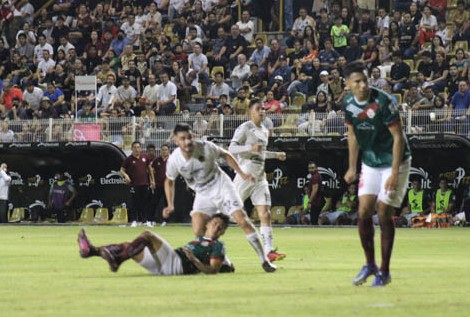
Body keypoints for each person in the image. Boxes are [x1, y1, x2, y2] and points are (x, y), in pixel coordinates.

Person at [163, 123, 276, 273]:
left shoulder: (206, 147)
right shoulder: (174, 160)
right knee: (198, 231)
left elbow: (227, 155)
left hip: (222, 186)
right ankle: (225, 262)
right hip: (203, 193)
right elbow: (169, 181)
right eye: (182, 139)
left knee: (242, 220)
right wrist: (170, 204)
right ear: (175, 140)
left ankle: (264, 261)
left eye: (189, 137)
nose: (187, 142)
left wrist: (241, 173)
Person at [343, 61, 412, 287]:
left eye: (365, 80)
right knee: (363, 211)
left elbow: (398, 137)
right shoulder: (349, 104)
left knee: (383, 212)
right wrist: (352, 167)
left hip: (395, 160)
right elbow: (352, 135)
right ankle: (370, 264)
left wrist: (394, 173)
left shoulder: (384, 101)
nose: (363, 85)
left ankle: (385, 270)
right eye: (357, 82)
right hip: (371, 161)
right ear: (348, 84)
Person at [78, 213, 235, 275]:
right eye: (215, 223)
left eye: (221, 227)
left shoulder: (218, 246)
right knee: (129, 246)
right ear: (207, 224)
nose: (217, 227)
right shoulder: (199, 240)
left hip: (178, 264)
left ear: (223, 232)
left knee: (147, 235)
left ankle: (117, 260)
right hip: (163, 265)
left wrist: (194, 261)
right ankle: (91, 251)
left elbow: (214, 269)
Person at [228, 99, 287, 262]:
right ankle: (208, 242)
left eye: (263, 109)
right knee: (228, 213)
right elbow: (231, 149)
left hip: (260, 176)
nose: (262, 111)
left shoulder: (265, 130)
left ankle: (269, 251)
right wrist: (249, 148)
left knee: (265, 212)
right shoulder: (245, 128)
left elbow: (261, 153)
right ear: (249, 111)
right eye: (258, 109)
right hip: (246, 173)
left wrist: (276, 155)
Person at [120, 141, 155, 228]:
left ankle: (145, 221)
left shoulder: (145, 157)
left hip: (145, 183)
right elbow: (121, 170)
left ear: (140, 148)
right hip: (134, 184)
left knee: (145, 203)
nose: (137, 149)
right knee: (134, 203)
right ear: (132, 148)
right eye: (135, 147)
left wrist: (152, 180)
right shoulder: (128, 159)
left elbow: (150, 169)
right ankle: (134, 221)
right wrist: (126, 176)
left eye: (138, 147)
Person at [149, 144, 170, 224]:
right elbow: (150, 168)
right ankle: (151, 220)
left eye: (166, 150)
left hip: (168, 186)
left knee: (167, 203)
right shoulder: (157, 160)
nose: (164, 151)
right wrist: (152, 180)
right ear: (160, 151)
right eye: (163, 150)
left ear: (168, 151)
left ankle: (166, 221)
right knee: (154, 202)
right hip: (158, 185)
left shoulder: (171, 160)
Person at [307, 161, 324, 225]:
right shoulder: (316, 176)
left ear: (316, 168)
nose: (311, 170)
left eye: (312, 168)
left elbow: (315, 189)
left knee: (314, 221)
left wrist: (310, 202)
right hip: (317, 201)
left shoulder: (315, 177)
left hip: (316, 202)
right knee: (314, 220)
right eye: (309, 168)